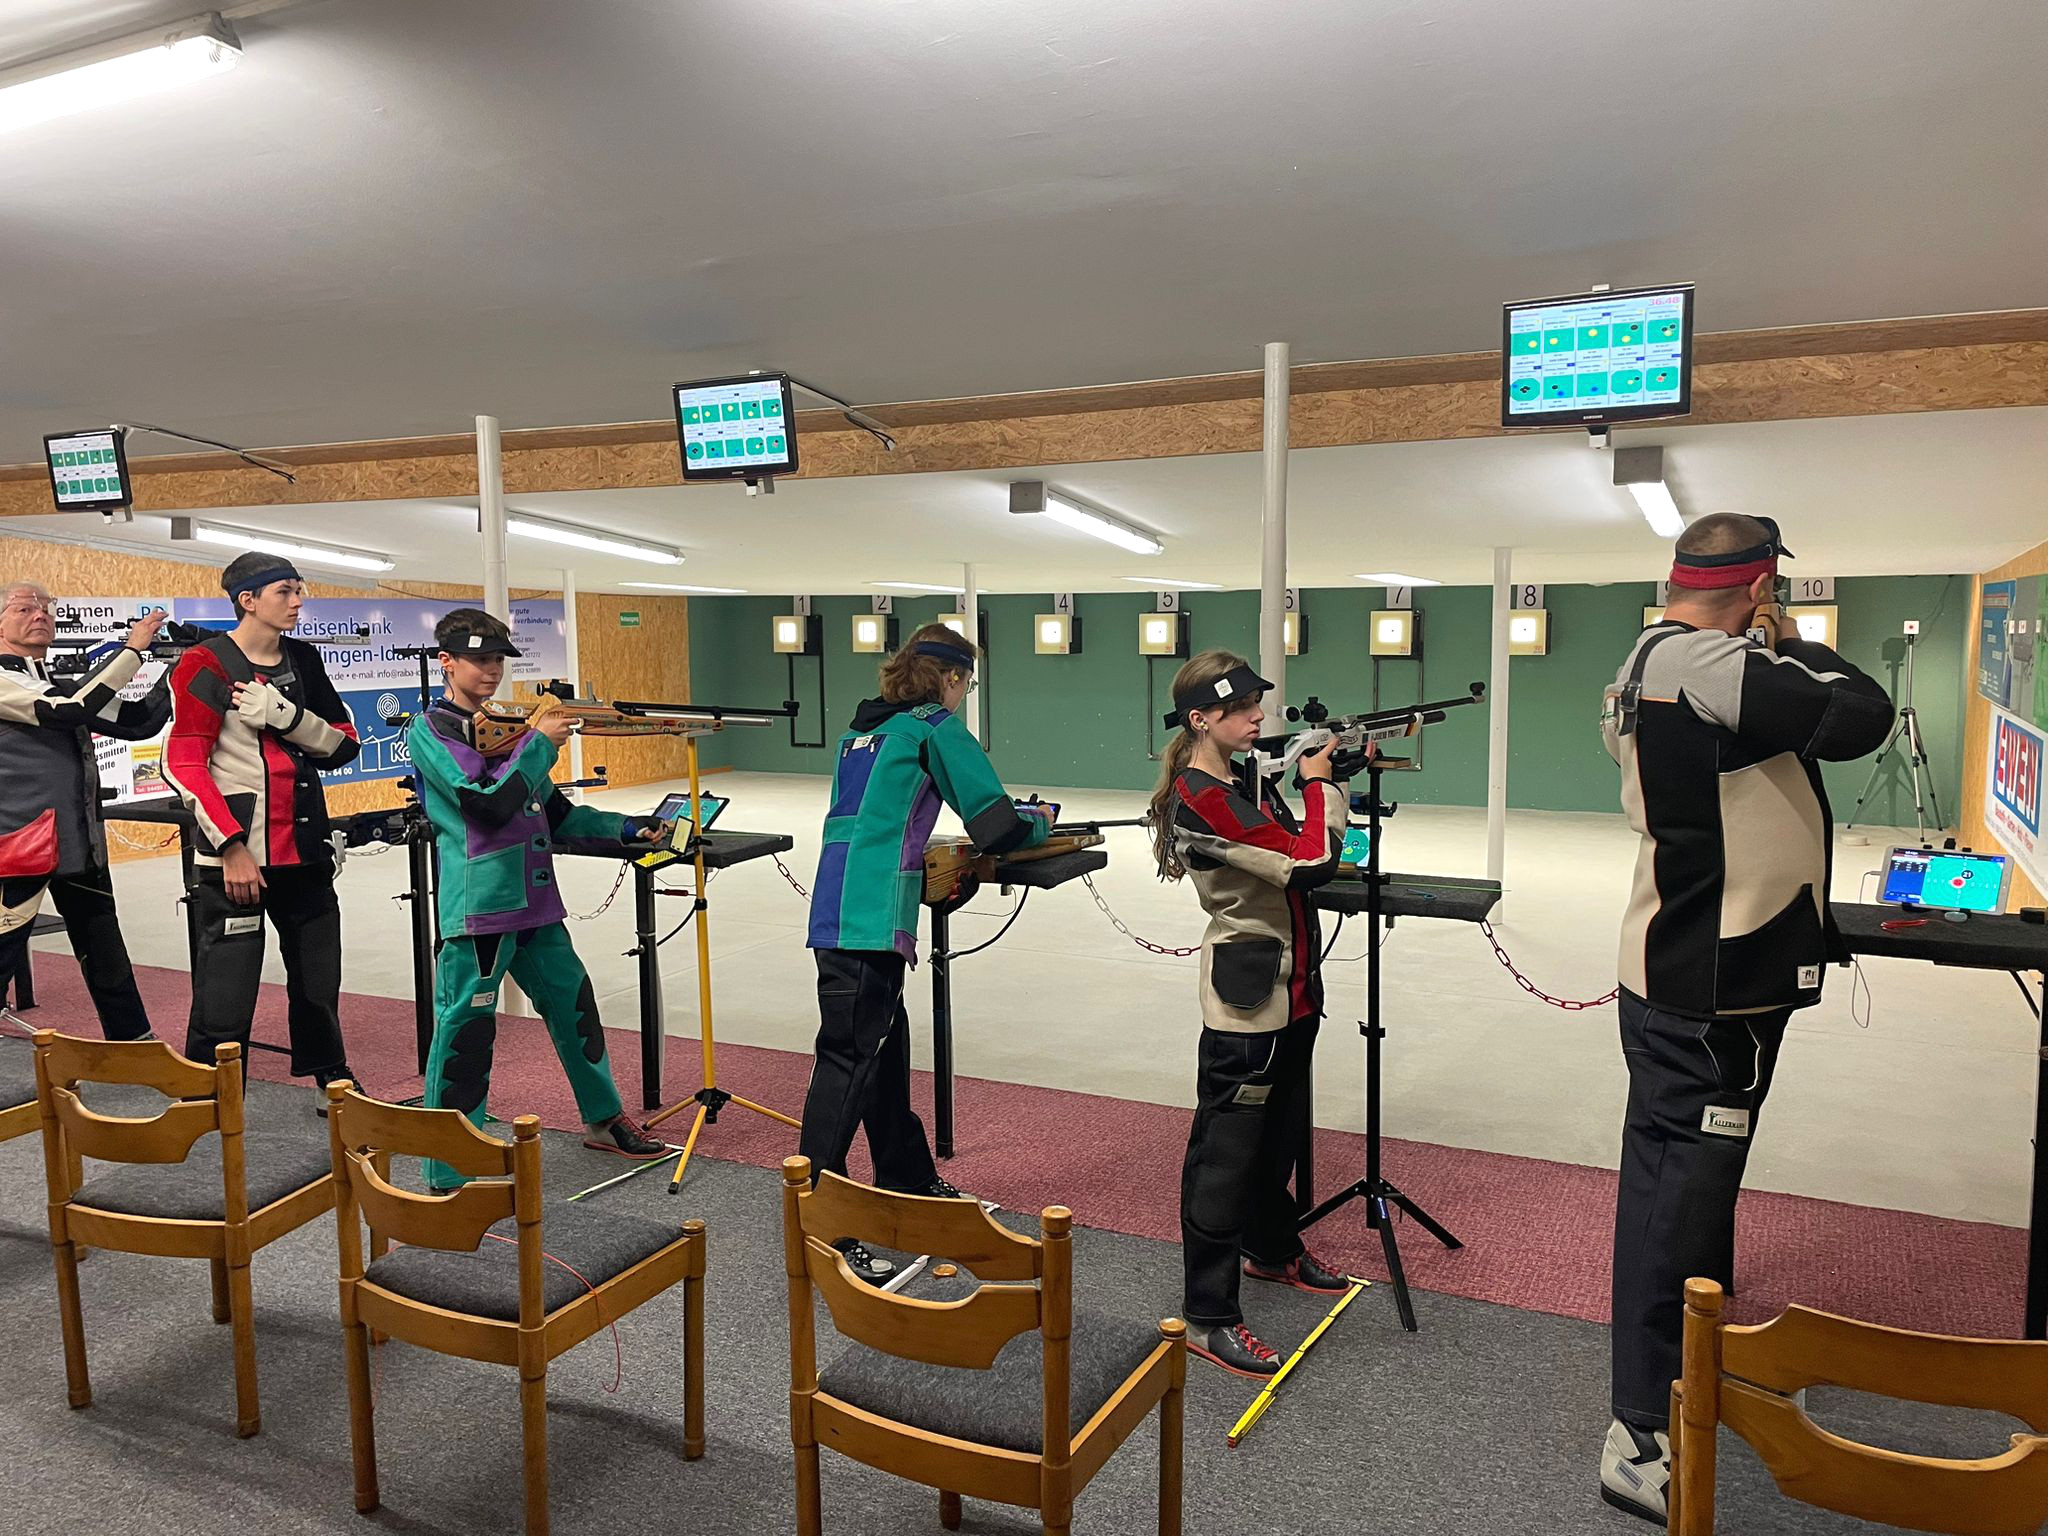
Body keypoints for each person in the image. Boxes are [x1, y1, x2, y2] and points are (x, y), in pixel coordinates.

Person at [1597, 514, 1894, 1524]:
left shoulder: (1650, 660)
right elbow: (1861, 716)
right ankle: (1640, 1431)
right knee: (1675, 1202)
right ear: (1759, 586)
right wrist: (1794, 640)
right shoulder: (1712, 666)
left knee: (1678, 1186)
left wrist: (1768, 645)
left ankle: (1694, 1356)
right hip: (1715, 977)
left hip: (1681, 959)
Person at [800, 623, 1052, 1284]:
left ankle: (906, 1177)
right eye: (967, 682)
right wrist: (1042, 822)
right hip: (870, 915)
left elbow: (877, 819)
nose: (964, 693)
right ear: (952, 677)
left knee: (882, 1050)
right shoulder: (933, 727)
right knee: (848, 1061)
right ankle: (819, 1223)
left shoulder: (862, 731)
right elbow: (996, 824)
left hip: (839, 905)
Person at [407, 608, 667, 1189]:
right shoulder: (432, 730)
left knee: (576, 1008)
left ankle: (603, 1118)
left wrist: (629, 828)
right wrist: (539, 745)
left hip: (536, 907)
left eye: (498, 660)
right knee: (465, 1030)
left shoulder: (505, 731)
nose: (491, 670)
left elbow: (558, 815)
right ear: (446, 662)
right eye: (479, 659)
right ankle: (449, 1163)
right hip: (480, 911)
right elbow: (485, 802)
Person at [1151, 649, 1355, 1379]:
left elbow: (1304, 846)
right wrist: (1319, 783)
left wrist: (1329, 778)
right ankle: (1207, 1316)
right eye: (1238, 708)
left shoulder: (1241, 781)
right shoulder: (1204, 796)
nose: (1256, 716)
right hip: (1250, 1003)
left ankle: (1271, 1249)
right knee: (1225, 1158)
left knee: (1277, 1138)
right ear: (1199, 720)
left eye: (1255, 705)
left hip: (1292, 990)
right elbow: (1308, 862)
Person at [164, 554, 360, 1093]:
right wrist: (230, 846)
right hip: (238, 859)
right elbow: (183, 762)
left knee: (318, 979)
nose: (298, 601)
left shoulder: (304, 658)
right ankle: (212, 1094)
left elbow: (344, 745)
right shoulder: (204, 663)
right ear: (247, 600)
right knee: (225, 990)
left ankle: (331, 1077)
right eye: (285, 591)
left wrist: (285, 716)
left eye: (299, 590)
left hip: (305, 851)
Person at [0, 582, 170, 1039]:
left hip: (77, 844)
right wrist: (133, 651)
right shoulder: (9, 681)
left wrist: (180, 671)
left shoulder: (55, 683)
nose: (40, 614)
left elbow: (137, 721)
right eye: (23, 608)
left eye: (46, 607)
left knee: (107, 957)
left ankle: (135, 1048)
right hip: (16, 848)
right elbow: (70, 709)